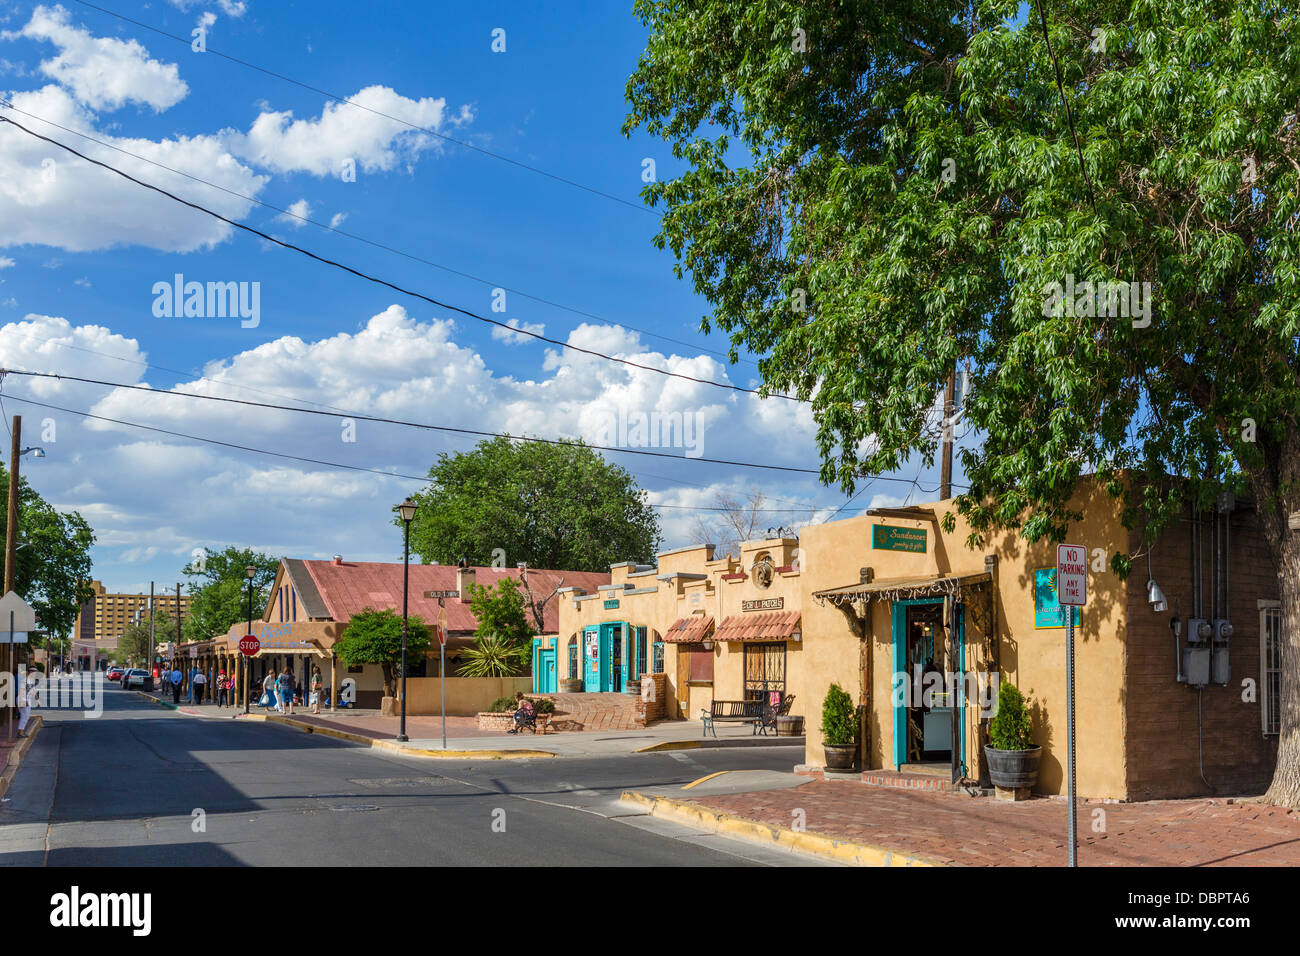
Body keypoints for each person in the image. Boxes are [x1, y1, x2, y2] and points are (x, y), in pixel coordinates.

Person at [17, 662, 39, 737]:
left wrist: (37, 699)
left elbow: (33, 690)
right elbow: (21, 691)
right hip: (22, 699)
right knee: (25, 716)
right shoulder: (25, 680)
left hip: (26, 700)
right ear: (30, 672)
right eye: (33, 672)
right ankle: (20, 732)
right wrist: (23, 701)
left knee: (25, 716)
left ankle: (21, 731)